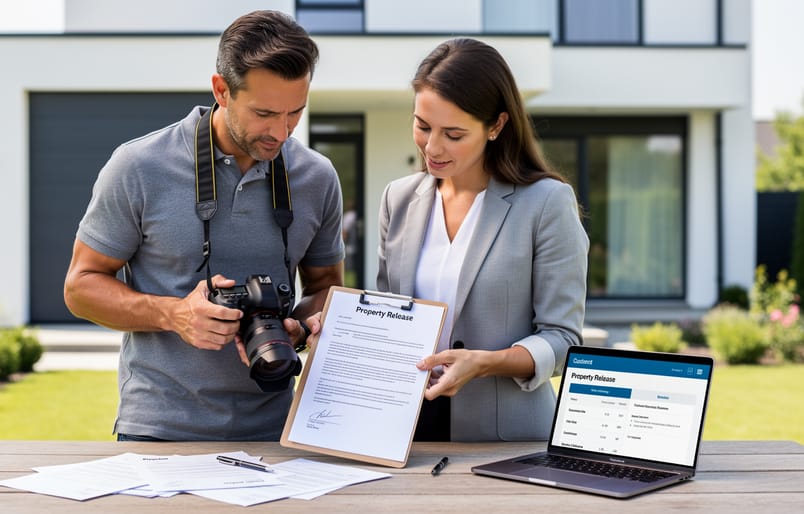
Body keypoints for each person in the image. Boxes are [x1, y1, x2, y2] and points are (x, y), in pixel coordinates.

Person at [63, 10, 345, 441]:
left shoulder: (317, 177)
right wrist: (174, 314)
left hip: (280, 432)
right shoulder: (138, 167)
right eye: (265, 113)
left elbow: (326, 287)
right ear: (222, 90)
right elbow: (80, 287)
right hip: (158, 431)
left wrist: (303, 325)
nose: (282, 132)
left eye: (295, 113)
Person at [377, 38, 588, 441]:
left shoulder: (546, 203)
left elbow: (563, 339)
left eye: (453, 134)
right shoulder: (398, 198)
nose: (432, 147)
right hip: (407, 431)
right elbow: (392, 320)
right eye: (423, 126)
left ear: (496, 126)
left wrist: (484, 362)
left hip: (507, 438)